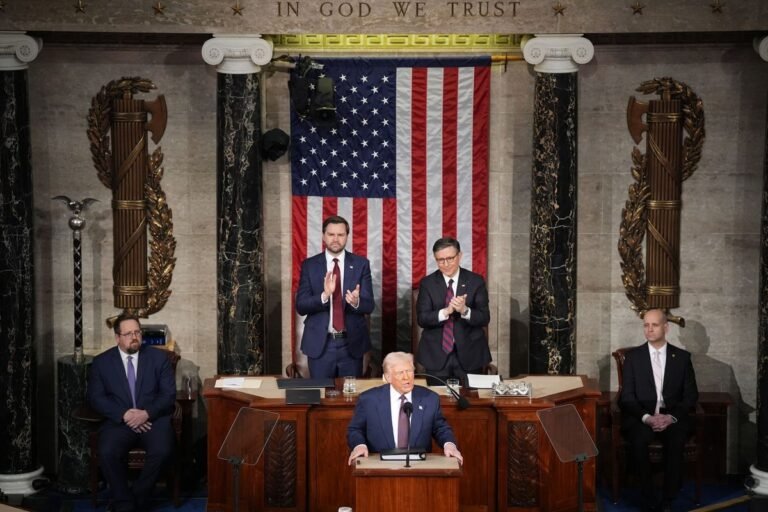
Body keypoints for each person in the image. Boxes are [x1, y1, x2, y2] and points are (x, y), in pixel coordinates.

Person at [87, 313, 177, 512]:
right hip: (120, 422)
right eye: (128, 334)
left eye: (137, 332)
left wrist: (146, 413)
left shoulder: (158, 358)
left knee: (163, 450)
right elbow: (95, 398)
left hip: (152, 420)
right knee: (107, 451)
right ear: (117, 337)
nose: (134, 337)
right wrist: (125, 414)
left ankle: (134, 499)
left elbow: (168, 394)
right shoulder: (102, 362)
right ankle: (125, 502)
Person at [619, 308, 699, 512]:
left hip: (672, 417)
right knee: (638, 440)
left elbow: (691, 396)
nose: (649, 329)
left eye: (654, 325)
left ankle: (668, 499)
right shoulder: (633, 358)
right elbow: (627, 397)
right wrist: (646, 418)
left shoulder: (682, 358)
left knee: (676, 440)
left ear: (666, 327)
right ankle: (648, 496)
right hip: (642, 416)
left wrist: (671, 417)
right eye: (646, 325)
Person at [347, 351, 463, 465]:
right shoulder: (369, 400)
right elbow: (355, 429)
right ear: (388, 377)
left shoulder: (430, 398)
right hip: (379, 464)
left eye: (409, 371)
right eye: (400, 373)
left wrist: (449, 445)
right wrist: (359, 446)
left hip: (419, 466)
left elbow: (440, 428)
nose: (406, 377)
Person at [295, 215, 374, 378]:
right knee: (321, 392)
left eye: (340, 235)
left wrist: (356, 302)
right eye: (331, 234)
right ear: (323, 236)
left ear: (347, 236)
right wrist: (324, 295)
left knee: (351, 393)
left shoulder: (361, 264)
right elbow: (301, 306)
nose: (336, 239)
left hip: (351, 344)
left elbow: (369, 305)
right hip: (320, 344)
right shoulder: (310, 265)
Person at [416, 237, 491, 386]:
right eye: (440, 260)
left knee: (470, 399)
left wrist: (465, 310)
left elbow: (484, 318)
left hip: (470, 354)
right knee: (436, 398)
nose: (446, 264)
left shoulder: (475, 281)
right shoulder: (427, 283)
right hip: (436, 355)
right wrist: (445, 311)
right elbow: (422, 319)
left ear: (459, 255)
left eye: (450, 258)